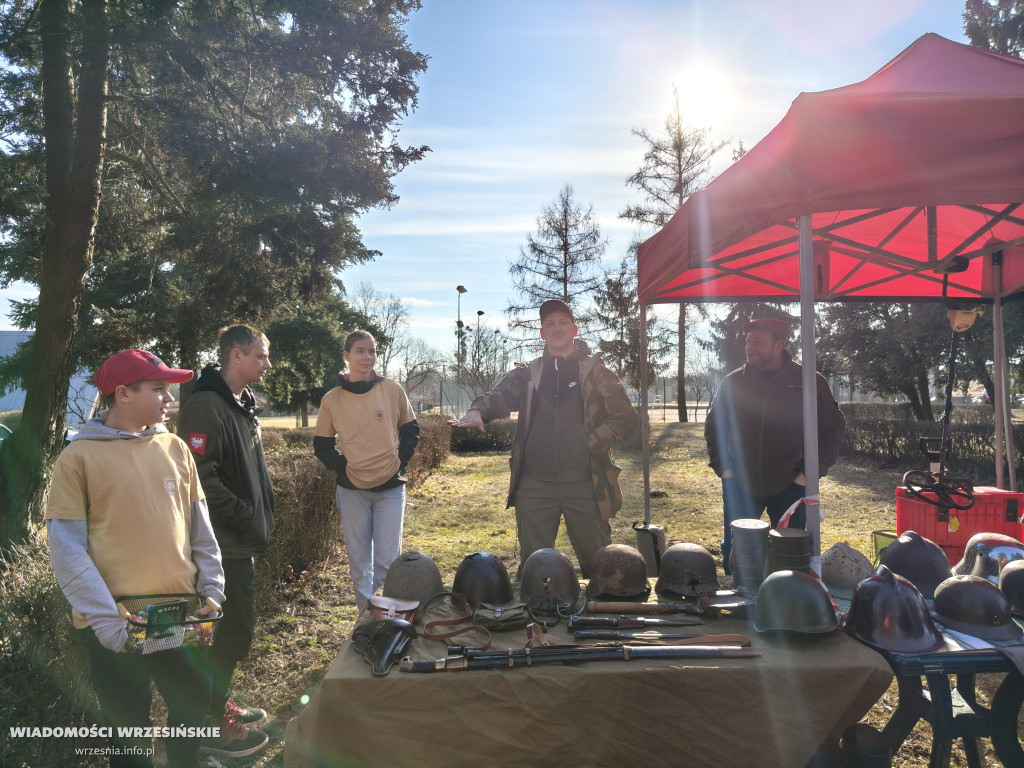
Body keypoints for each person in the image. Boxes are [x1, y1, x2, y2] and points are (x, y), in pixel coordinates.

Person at [45, 349, 225, 768]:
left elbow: (200, 526)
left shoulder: (175, 447)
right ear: (122, 393)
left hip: (178, 612)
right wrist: (107, 624)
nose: (170, 398)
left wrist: (213, 588)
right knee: (127, 725)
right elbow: (66, 548)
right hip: (118, 621)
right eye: (159, 388)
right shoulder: (78, 459)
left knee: (192, 704)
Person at [449, 299, 638, 578]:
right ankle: (535, 619)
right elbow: (501, 395)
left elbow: (626, 418)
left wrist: (591, 443)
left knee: (600, 567)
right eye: (549, 323)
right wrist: (478, 410)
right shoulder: (528, 373)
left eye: (563, 322)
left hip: (587, 485)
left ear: (574, 329)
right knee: (534, 572)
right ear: (542, 333)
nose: (556, 328)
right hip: (534, 487)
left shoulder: (596, 373)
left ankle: (600, 618)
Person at [176, 325, 273, 758]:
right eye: (261, 356)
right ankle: (211, 727)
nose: (267, 365)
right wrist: (245, 516)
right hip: (223, 545)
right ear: (236, 356)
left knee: (234, 635)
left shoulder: (240, 405)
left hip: (240, 540)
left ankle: (218, 706)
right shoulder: (205, 407)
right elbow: (200, 478)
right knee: (227, 635)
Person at [704, 317, 846, 574]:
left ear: (779, 344)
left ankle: (786, 604)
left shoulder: (809, 381)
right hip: (740, 485)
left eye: (758, 341)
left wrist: (809, 474)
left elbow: (834, 429)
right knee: (736, 553)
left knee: (790, 556)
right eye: (748, 341)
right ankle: (740, 608)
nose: (750, 347)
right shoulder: (733, 383)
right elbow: (714, 427)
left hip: (792, 486)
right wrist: (725, 469)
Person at [313, 330, 420, 611]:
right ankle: (368, 618)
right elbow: (322, 446)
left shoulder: (392, 389)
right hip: (352, 492)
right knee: (360, 564)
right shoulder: (331, 399)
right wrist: (343, 469)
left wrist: (400, 462)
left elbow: (410, 430)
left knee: (387, 562)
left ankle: (391, 617)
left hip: (390, 490)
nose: (367, 356)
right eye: (360, 351)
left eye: (372, 351)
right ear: (346, 356)